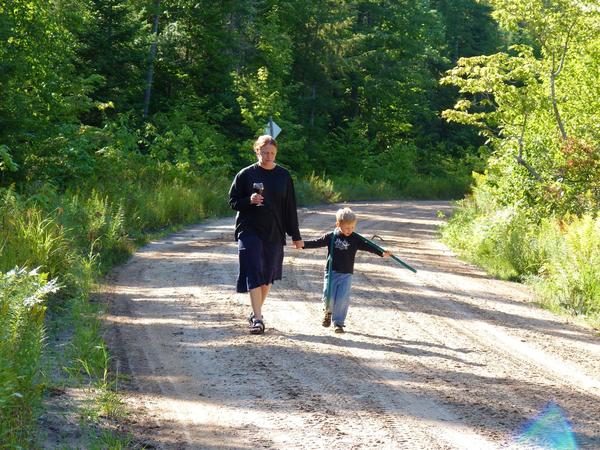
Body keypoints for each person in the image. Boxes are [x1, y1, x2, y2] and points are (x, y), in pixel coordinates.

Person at [228, 135, 304, 334]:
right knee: (253, 269)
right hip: (249, 229)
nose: (268, 156)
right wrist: (248, 200)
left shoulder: (283, 176)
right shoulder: (245, 174)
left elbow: (290, 207)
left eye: (271, 152)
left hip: (274, 230)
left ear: (276, 153)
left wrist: (295, 235)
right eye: (264, 152)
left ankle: (256, 312)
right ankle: (258, 319)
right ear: (257, 152)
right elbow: (233, 201)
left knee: (267, 275)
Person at [302, 207, 391, 333]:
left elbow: (368, 246)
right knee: (329, 296)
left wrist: (382, 253)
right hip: (331, 272)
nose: (350, 230)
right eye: (347, 228)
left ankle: (338, 323)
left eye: (352, 227)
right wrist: (303, 244)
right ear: (338, 224)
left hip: (347, 274)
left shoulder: (355, 238)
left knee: (342, 298)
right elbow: (317, 242)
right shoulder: (331, 237)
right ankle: (328, 312)